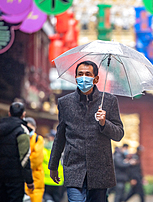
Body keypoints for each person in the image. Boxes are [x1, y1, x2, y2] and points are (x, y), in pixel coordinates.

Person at [48, 60, 124, 202]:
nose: (83, 78)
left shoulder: (109, 101)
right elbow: (60, 137)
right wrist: (53, 165)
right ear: (75, 77)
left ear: (96, 79)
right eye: (80, 74)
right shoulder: (65, 103)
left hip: (100, 168)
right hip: (74, 166)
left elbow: (119, 134)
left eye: (88, 74)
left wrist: (104, 123)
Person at [0, 102, 34, 202]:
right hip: (16, 179)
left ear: (9, 113)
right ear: (23, 115)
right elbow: (24, 158)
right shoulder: (22, 130)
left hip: (1, 177)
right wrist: (29, 180)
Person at [24, 117, 44, 202]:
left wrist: (24, 165)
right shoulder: (23, 139)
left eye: (31, 128)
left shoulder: (38, 139)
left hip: (36, 178)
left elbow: (37, 159)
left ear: (35, 128)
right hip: (24, 178)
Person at [43, 131, 65, 202]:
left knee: (47, 197)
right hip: (59, 180)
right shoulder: (62, 150)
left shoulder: (44, 149)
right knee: (57, 199)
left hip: (46, 179)